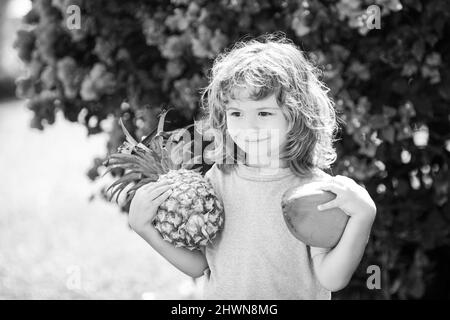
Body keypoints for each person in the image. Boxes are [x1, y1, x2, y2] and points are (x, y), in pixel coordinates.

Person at [128, 33, 377, 300]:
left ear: (297, 116)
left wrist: (364, 215)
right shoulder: (217, 179)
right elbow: (201, 265)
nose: (249, 127)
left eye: (264, 113)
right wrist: (143, 227)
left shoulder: (313, 191)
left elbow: (331, 277)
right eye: (236, 113)